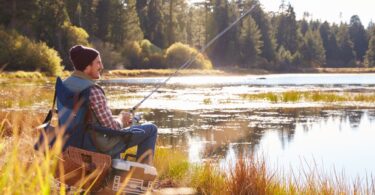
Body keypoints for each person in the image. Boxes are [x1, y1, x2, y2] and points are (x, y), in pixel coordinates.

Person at [64, 45, 157, 164]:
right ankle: (142, 175)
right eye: (98, 63)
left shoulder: (65, 85)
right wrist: (122, 119)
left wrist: (117, 118)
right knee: (151, 129)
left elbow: (87, 119)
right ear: (87, 67)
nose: (101, 67)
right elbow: (112, 128)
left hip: (73, 143)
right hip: (98, 147)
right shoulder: (92, 90)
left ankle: (112, 172)